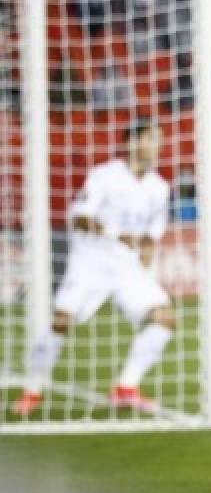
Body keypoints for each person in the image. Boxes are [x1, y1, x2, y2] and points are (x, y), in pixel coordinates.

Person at [12, 120, 174, 416]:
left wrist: (149, 247)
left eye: (160, 140)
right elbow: (80, 218)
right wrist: (117, 234)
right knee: (61, 321)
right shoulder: (104, 176)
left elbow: (153, 231)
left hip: (126, 268)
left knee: (163, 318)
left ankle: (126, 387)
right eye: (151, 138)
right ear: (132, 142)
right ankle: (32, 389)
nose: (157, 146)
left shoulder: (159, 187)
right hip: (91, 263)